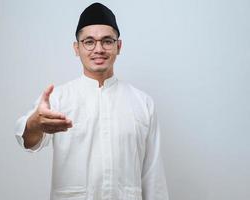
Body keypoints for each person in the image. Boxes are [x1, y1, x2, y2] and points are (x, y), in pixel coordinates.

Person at [15, 2, 169, 200]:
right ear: (76, 48)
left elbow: (153, 176)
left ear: (118, 46)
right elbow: (27, 140)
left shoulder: (143, 103)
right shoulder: (59, 98)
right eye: (89, 41)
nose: (99, 49)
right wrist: (35, 123)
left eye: (107, 41)